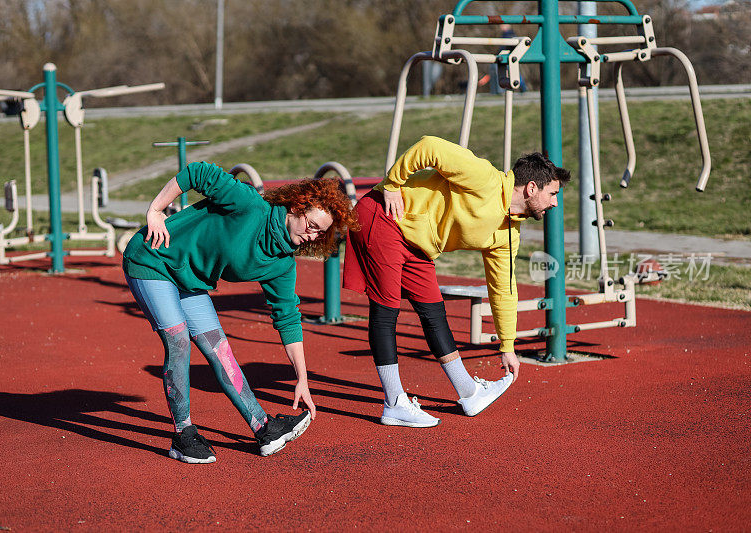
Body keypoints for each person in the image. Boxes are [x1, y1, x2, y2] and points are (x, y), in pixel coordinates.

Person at [123, 161, 357, 462]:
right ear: (297, 207)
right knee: (178, 339)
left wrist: (302, 379)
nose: (312, 236)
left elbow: (287, 317)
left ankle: (263, 428)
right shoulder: (249, 206)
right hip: (151, 258)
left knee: (219, 349)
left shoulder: (282, 265)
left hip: (189, 279)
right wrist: (155, 210)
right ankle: (183, 435)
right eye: (312, 225)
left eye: (320, 233)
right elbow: (198, 172)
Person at [343, 135, 570, 427]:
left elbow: (503, 289)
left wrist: (508, 346)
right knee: (387, 309)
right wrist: (392, 185)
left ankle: (469, 393)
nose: (554, 203)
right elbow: (429, 147)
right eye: (553, 194)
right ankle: (394, 402)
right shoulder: (485, 179)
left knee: (434, 311)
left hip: (418, 243)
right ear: (531, 188)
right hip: (385, 215)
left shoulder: (507, 232)